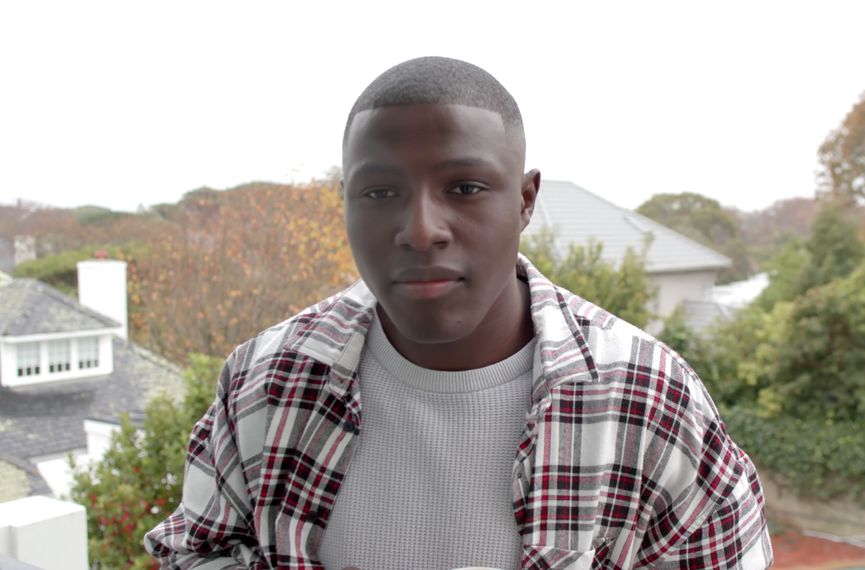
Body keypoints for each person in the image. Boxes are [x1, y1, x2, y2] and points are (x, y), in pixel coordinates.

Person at [146, 56, 772, 570]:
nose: (421, 230)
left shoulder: (650, 399)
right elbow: (196, 551)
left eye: (465, 188)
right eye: (380, 192)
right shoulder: (264, 383)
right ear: (344, 204)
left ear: (526, 200)